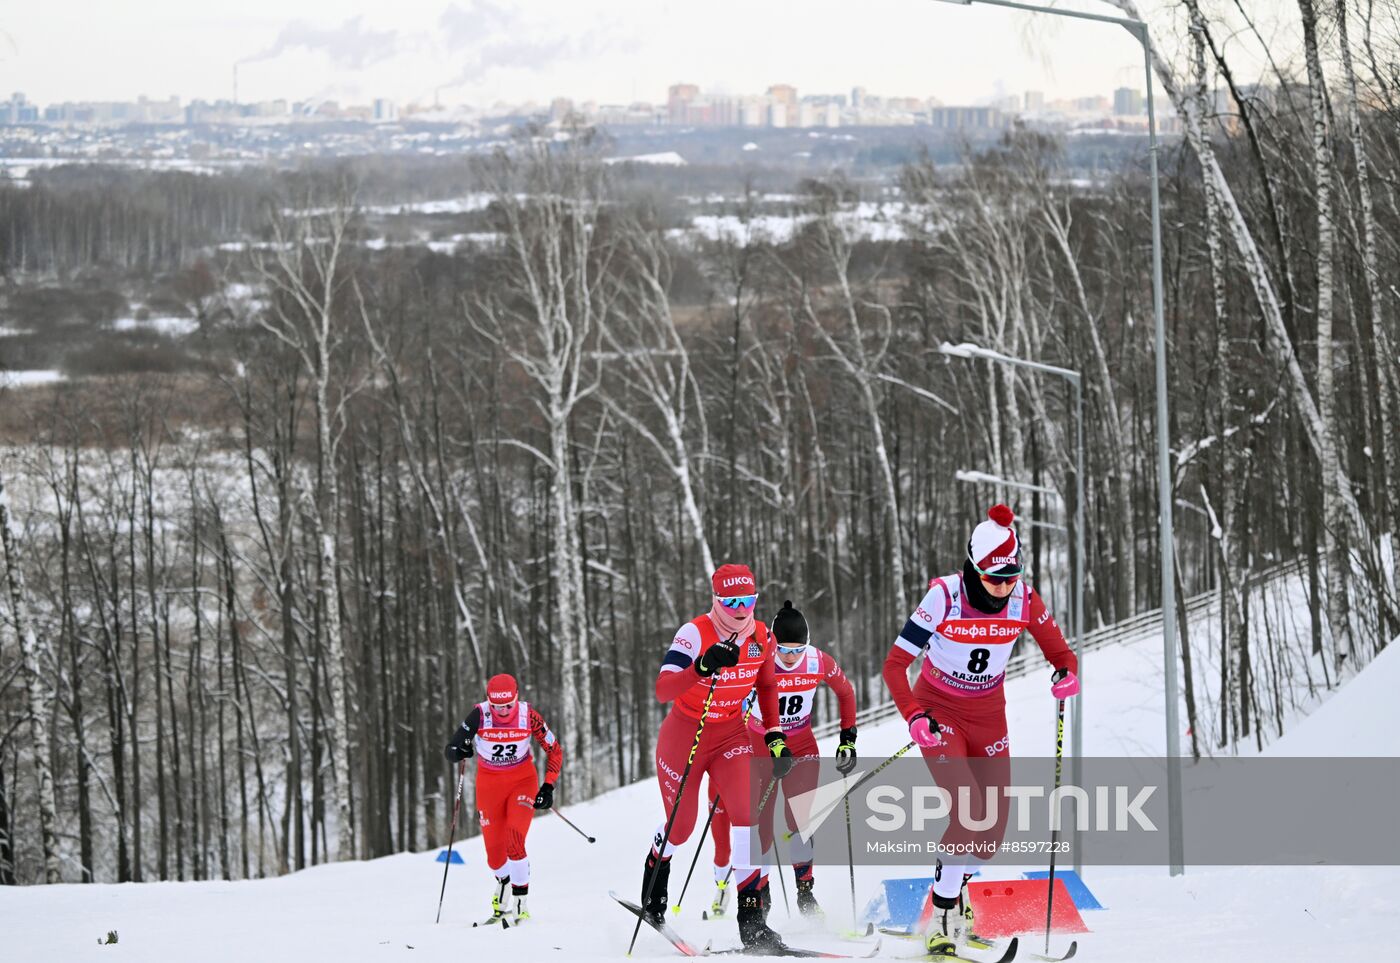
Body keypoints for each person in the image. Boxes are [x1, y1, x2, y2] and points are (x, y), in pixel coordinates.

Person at [881, 505, 1079, 957]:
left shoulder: (1024, 599)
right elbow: (894, 666)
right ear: (973, 569)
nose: (1004, 588)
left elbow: (1060, 652)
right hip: (939, 709)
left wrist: (1066, 672)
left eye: (1012, 577)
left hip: (989, 712)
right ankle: (943, 916)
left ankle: (952, 888)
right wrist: (914, 714)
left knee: (990, 836)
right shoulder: (944, 598)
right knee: (968, 808)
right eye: (995, 579)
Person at [643, 563, 794, 951]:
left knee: (749, 817)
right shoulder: (694, 633)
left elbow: (767, 685)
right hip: (685, 733)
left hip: (730, 733)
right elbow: (663, 690)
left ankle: (752, 920)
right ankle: (655, 879)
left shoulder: (762, 635)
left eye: (750, 600)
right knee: (682, 827)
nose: (742, 609)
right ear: (717, 600)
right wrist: (702, 666)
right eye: (733, 602)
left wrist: (776, 737)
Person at [707, 600, 858, 919]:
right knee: (758, 826)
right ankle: (759, 895)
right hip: (757, 747)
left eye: (797, 650)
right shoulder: (757, 660)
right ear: (772, 641)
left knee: (801, 821)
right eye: (784, 650)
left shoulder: (818, 661)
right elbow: (726, 698)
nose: (790, 657)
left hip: (801, 746)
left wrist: (848, 739)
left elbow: (846, 692)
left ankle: (806, 893)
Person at [444, 673, 563, 925]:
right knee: (494, 857)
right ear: (489, 702)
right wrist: (460, 750)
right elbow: (451, 749)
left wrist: (548, 786)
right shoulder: (479, 714)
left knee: (514, 839)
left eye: (508, 705)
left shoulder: (528, 715)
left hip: (522, 781)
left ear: (516, 698)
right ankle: (504, 882)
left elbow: (554, 749)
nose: (503, 711)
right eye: (498, 707)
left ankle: (521, 901)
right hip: (489, 785)